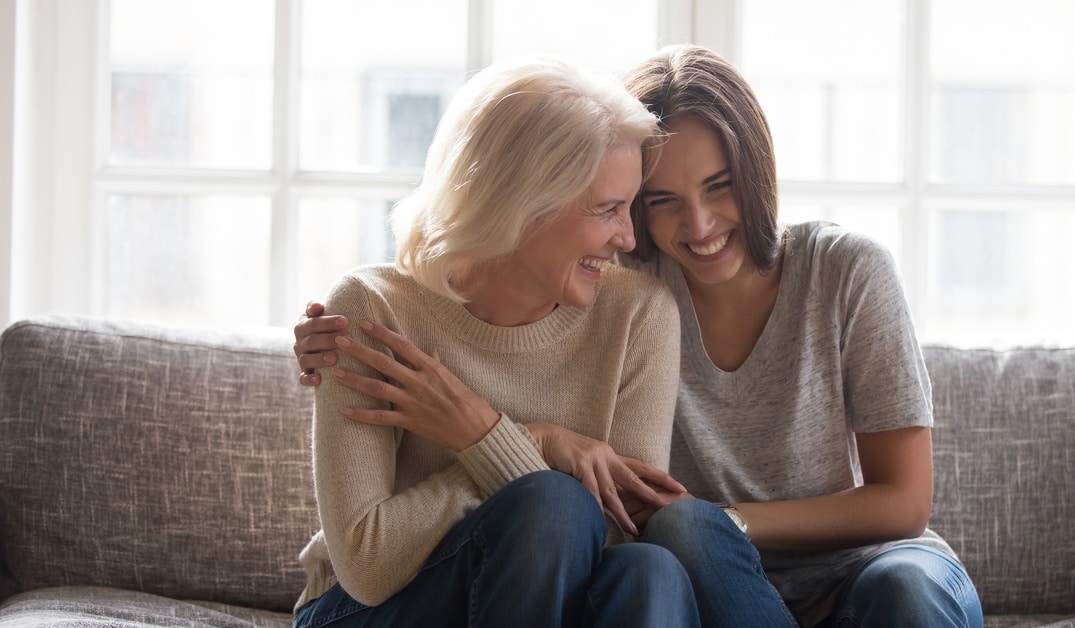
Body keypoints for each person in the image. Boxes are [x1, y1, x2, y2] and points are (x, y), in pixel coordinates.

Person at [294, 45, 983, 628]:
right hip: (423, 592)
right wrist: (520, 441)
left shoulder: (813, 275)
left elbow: (902, 501)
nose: (699, 224)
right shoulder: (623, 276)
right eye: (652, 203)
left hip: (837, 566)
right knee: (629, 535)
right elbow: (378, 560)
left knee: (677, 555)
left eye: (722, 186)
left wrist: (721, 519)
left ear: (756, 171)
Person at [290, 54, 700, 628]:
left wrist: (481, 434)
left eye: (630, 207)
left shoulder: (638, 316)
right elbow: (367, 565)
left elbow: (620, 532)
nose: (628, 237)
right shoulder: (374, 310)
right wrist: (534, 444)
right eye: (608, 209)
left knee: (650, 572)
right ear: (522, 203)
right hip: (366, 611)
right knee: (554, 505)